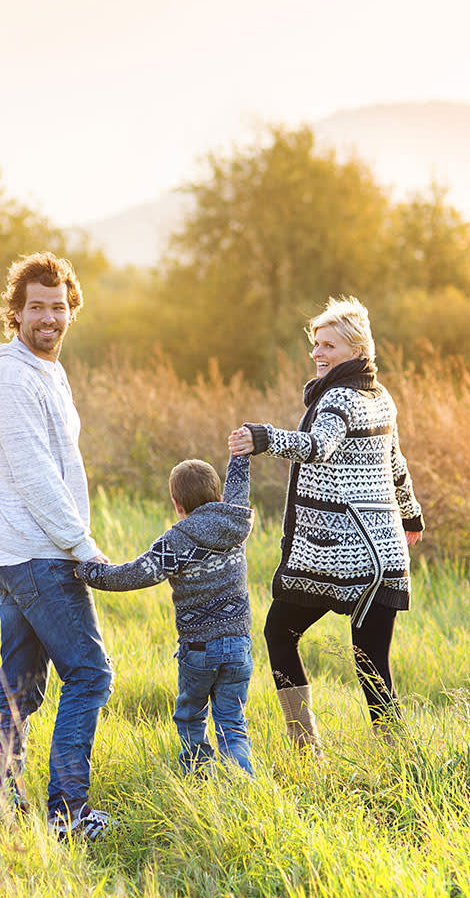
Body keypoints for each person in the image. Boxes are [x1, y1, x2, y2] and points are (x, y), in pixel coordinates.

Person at [228, 297, 423, 748]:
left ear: (356, 351)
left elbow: (320, 446)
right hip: (385, 554)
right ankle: (399, 758)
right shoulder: (379, 395)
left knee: (279, 633)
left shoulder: (337, 397)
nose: (318, 353)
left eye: (329, 346)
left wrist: (263, 438)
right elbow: (396, 463)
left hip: (340, 553)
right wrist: (410, 515)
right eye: (316, 344)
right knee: (372, 662)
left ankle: (306, 748)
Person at [0, 251, 113, 840]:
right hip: (35, 554)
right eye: (36, 307)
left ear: (71, 311)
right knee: (90, 674)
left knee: (22, 687)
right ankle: (67, 814)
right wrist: (83, 547)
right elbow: (35, 476)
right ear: (16, 312)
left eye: (58, 307)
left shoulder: (48, 372)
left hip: (25, 552)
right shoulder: (10, 377)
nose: (49, 318)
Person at [75, 454, 256, 775]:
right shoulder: (236, 521)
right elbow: (239, 485)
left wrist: (87, 571)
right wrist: (239, 453)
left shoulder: (177, 541)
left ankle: (199, 778)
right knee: (232, 720)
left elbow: (132, 575)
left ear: (176, 503)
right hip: (239, 646)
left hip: (199, 651)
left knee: (191, 716)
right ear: (218, 495)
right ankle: (241, 784)